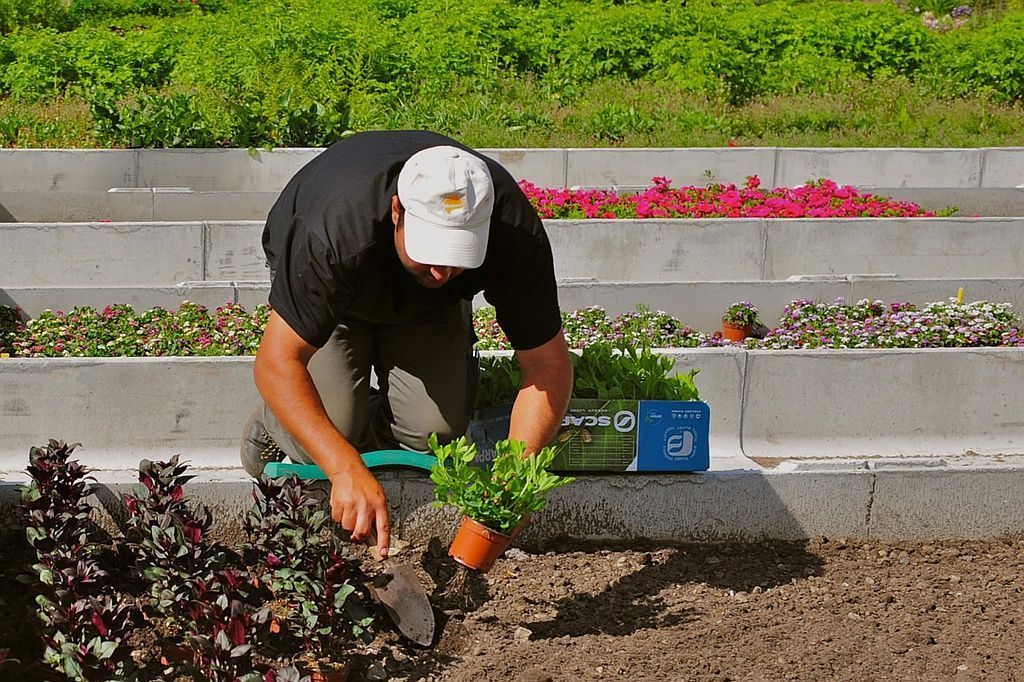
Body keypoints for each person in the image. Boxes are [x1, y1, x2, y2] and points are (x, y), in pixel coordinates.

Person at [240, 130, 573, 559]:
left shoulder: (512, 231)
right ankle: (274, 423)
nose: (442, 270)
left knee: (434, 431)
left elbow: (547, 365)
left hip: (428, 308)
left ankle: (354, 415)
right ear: (397, 211)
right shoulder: (331, 228)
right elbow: (277, 362)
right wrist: (344, 468)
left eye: (459, 255)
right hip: (337, 299)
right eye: (431, 251)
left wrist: (516, 480)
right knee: (334, 428)